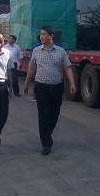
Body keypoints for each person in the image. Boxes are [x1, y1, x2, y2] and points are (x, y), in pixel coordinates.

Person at [23, 25, 76, 156]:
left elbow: (67, 68)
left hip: (56, 88)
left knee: (54, 114)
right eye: (41, 34)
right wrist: (26, 84)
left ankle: (47, 134)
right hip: (41, 87)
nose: (41, 37)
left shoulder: (61, 51)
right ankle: (46, 143)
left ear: (51, 36)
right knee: (43, 115)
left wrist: (72, 83)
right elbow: (32, 68)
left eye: (44, 34)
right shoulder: (36, 51)